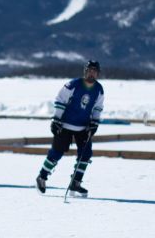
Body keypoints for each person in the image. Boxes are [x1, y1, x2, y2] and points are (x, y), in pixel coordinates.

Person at [35, 60, 104, 197]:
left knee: (85, 154)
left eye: (94, 71)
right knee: (56, 153)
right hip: (65, 124)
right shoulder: (73, 84)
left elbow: (97, 108)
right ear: (85, 71)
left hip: (83, 127)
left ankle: (76, 183)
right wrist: (56, 119)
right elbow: (60, 100)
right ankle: (42, 177)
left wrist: (94, 123)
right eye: (89, 70)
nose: (92, 74)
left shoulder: (99, 89)